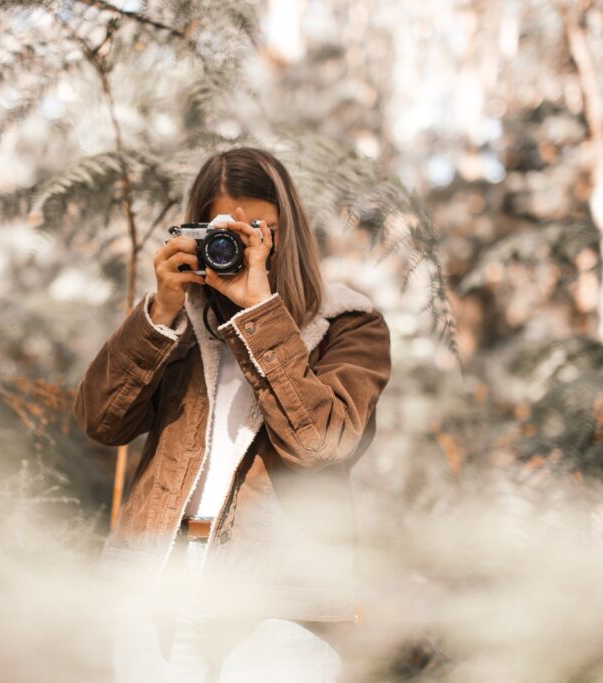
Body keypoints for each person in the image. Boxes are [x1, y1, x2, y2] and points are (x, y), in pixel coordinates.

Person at [73, 147, 392, 681]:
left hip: (282, 596)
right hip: (161, 584)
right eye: (224, 231)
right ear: (195, 231)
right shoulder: (177, 323)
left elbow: (320, 444)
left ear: (286, 230)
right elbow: (101, 421)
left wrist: (261, 313)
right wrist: (162, 309)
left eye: (258, 229)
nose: (240, 245)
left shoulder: (347, 325)